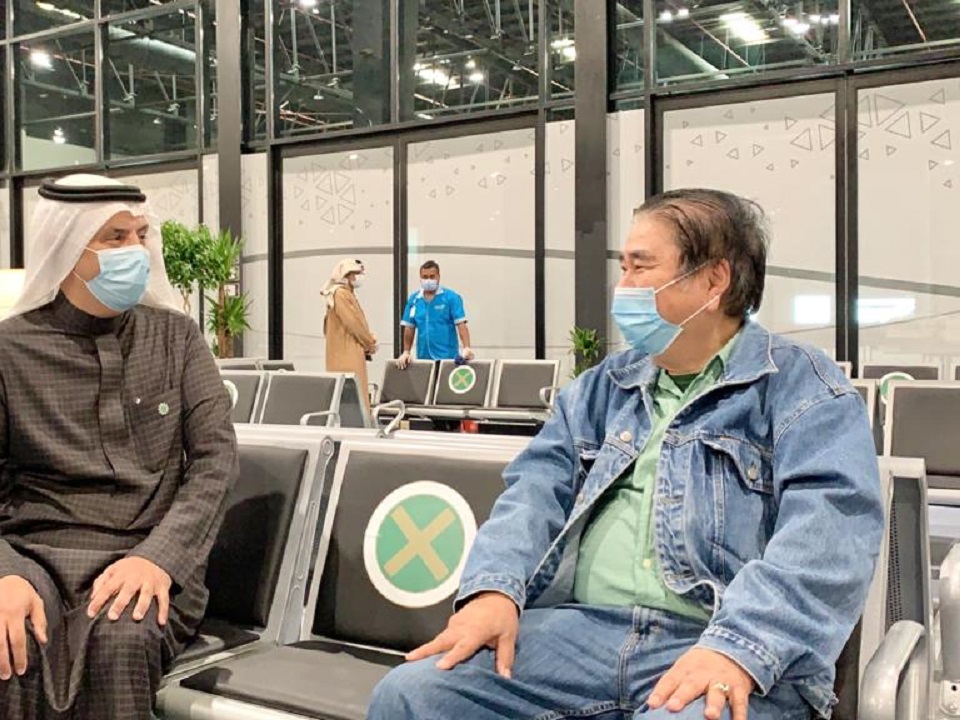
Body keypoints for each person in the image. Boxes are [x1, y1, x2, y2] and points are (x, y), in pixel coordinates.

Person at [368, 189, 883, 720]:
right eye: (623, 268)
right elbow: (534, 493)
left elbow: (829, 537)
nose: (623, 287)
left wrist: (739, 646)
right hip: (580, 634)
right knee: (411, 696)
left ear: (714, 280)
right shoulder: (601, 388)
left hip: (719, 640)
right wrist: (494, 590)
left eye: (641, 267)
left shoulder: (803, 388)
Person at [0, 174, 237, 720]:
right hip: (32, 558)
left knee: (122, 640)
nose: (135, 250)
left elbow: (215, 463)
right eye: (115, 237)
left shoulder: (178, 338)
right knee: (4, 641)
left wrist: (159, 559)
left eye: (140, 235)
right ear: (67, 246)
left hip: (146, 556)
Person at [322, 258, 377, 408]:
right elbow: (354, 324)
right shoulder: (340, 294)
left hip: (347, 350)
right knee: (353, 398)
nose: (359, 277)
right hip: (347, 353)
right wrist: (369, 342)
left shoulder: (346, 293)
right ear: (346, 274)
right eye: (356, 273)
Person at [397, 260, 473, 369]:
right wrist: (406, 351)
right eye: (425, 277)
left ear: (438, 277)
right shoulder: (414, 300)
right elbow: (409, 327)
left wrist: (467, 347)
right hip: (423, 359)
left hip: (447, 359)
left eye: (432, 276)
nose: (428, 280)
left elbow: (461, 324)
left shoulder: (451, 297)